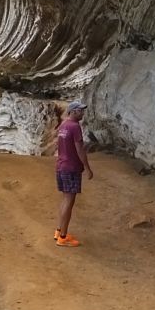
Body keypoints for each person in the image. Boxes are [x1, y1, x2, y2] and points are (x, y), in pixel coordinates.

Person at [53, 100, 93, 247]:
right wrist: (87, 168)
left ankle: (59, 231)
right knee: (69, 202)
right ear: (72, 111)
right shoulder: (75, 127)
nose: (82, 113)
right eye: (79, 110)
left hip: (61, 166)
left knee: (65, 199)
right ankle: (63, 237)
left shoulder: (63, 125)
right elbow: (80, 149)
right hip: (71, 168)